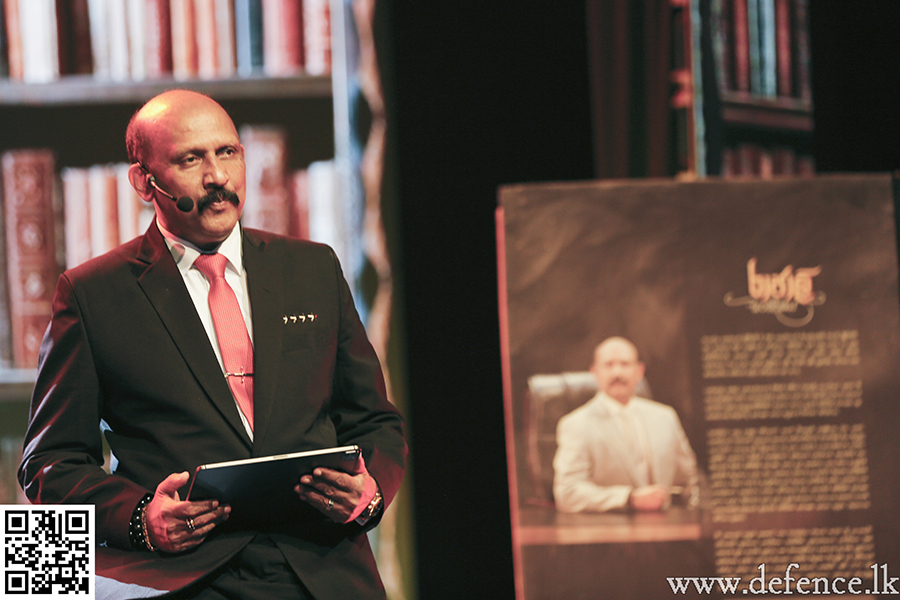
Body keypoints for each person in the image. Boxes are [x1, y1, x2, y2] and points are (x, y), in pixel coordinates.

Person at [17, 89, 406, 600]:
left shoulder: (313, 267)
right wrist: (141, 520)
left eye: (228, 152)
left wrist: (369, 491)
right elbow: (50, 465)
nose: (217, 177)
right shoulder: (92, 294)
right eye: (190, 159)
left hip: (323, 569)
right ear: (144, 181)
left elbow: (376, 420)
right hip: (180, 578)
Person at [553, 336, 697, 513]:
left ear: (640, 371)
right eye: (609, 365)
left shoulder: (665, 417)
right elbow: (567, 493)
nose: (617, 373)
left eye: (625, 364)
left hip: (669, 529)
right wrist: (629, 498)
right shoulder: (576, 424)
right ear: (594, 372)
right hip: (609, 531)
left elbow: (692, 480)